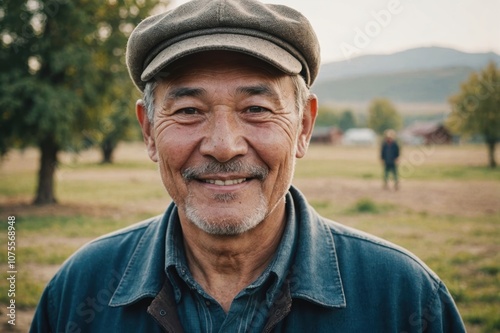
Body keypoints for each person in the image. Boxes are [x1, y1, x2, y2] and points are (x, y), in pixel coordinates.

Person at [30, 0, 465, 332]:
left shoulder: (404, 298)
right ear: (148, 131)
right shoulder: (76, 293)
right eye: (187, 111)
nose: (222, 146)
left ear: (303, 127)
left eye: (256, 108)